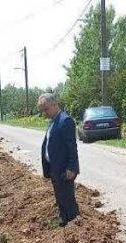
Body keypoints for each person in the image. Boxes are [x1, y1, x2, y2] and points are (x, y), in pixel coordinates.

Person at [38, 93, 80, 226]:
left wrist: (72, 168)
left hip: (64, 169)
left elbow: (72, 147)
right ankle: (64, 222)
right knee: (60, 198)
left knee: (68, 198)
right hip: (54, 168)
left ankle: (75, 225)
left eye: (46, 109)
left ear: (55, 104)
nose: (44, 112)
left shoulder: (65, 121)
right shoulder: (53, 121)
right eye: (42, 110)